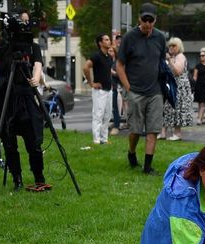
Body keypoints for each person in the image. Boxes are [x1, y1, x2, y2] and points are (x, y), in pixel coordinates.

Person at [0, 23, 49, 193]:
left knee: (33, 141)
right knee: (9, 142)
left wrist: (36, 78)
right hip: (5, 99)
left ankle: (39, 177)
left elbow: (37, 65)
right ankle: (17, 179)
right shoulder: (2, 46)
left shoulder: (33, 47)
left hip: (26, 97)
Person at [116, 3, 168, 175]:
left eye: (150, 20)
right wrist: (128, 88)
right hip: (135, 91)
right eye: (144, 19)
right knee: (135, 130)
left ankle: (147, 166)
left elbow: (161, 62)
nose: (147, 23)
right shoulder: (129, 37)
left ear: (155, 20)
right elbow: (120, 65)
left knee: (153, 129)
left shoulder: (160, 38)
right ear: (139, 18)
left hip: (155, 91)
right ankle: (131, 152)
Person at [83, 34, 113, 145]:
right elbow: (85, 67)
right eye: (106, 39)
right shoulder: (96, 56)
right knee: (98, 115)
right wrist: (91, 83)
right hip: (99, 91)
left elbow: (107, 72)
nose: (109, 41)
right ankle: (96, 140)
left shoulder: (109, 57)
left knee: (108, 114)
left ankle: (104, 139)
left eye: (109, 39)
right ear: (100, 43)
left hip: (109, 90)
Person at [163, 37, 194, 140]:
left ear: (179, 46)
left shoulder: (180, 56)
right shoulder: (174, 57)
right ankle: (170, 132)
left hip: (180, 86)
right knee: (171, 109)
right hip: (174, 85)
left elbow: (178, 71)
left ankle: (177, 133)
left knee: (178, 109)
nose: (171, 47)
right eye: (170, 45)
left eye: (174, 45)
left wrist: (169, 60)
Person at [193, 48, 205, 123]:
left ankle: (199, 119)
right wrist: (193, 86)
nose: (201, 57)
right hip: (199, 86)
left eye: (203, 55)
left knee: (203, 103)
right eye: (200, 56)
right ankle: (201, 118)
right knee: (200, 103)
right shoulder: (198, 66)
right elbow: (195, 77)